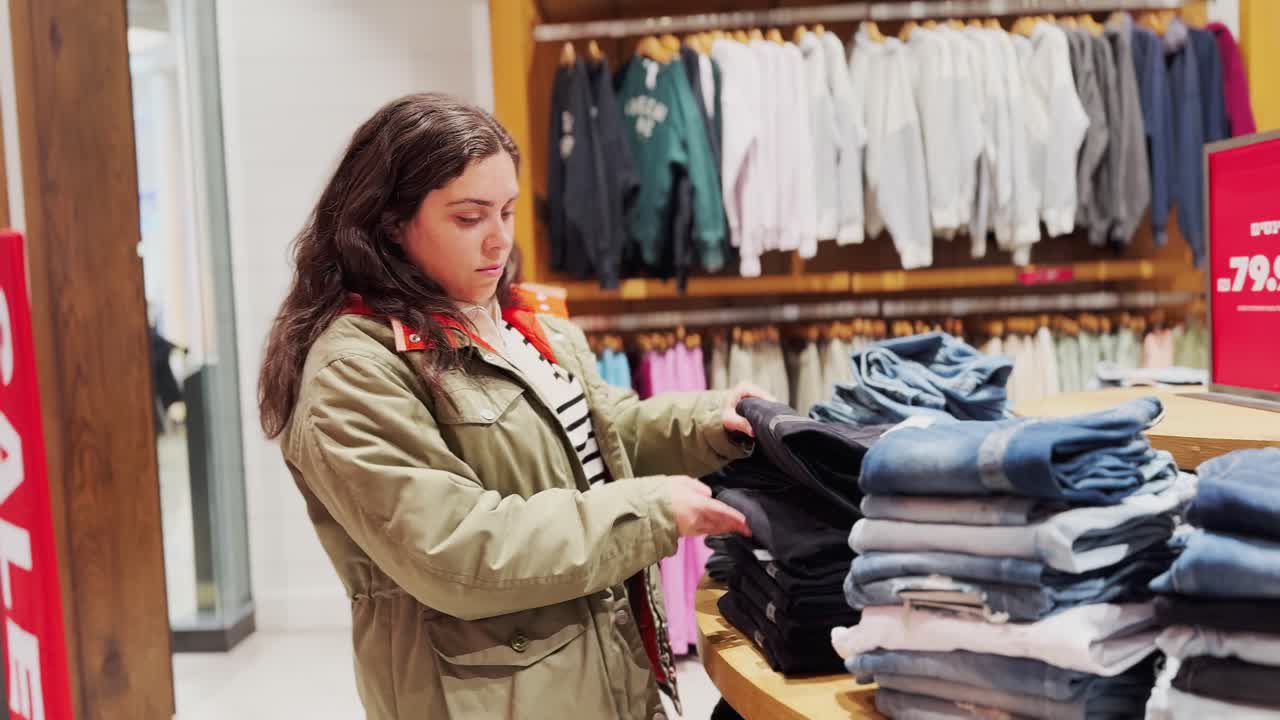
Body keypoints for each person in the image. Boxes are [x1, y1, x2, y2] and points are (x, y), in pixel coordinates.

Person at [258, 92, 767, 720]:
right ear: (390, 222)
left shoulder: (516, 321)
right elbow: (457, 549)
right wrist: (650, 512)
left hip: (592, 670)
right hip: (490, 696)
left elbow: (601, 434)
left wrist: (709, 422)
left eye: (507, 211)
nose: (499, 240)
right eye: (469, 218)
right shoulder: (353, 370)